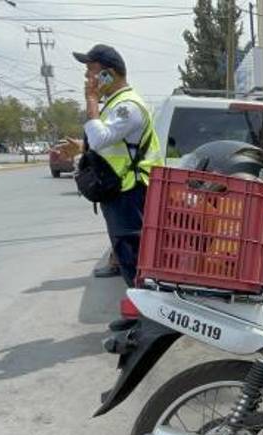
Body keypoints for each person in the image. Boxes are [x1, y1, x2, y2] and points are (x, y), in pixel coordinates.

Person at [54, 44, 162, 330]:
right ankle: (142, 319)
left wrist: (90, 100)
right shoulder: (116, 104)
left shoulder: (129, 106)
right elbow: (112, 143)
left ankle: (148, 324)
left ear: (108, 74)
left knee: (134, 259)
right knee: (128, 258)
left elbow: (102, 138)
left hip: (132, 192)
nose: (87, 78)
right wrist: (80, 147)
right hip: (120, 191)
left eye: (91, 71)